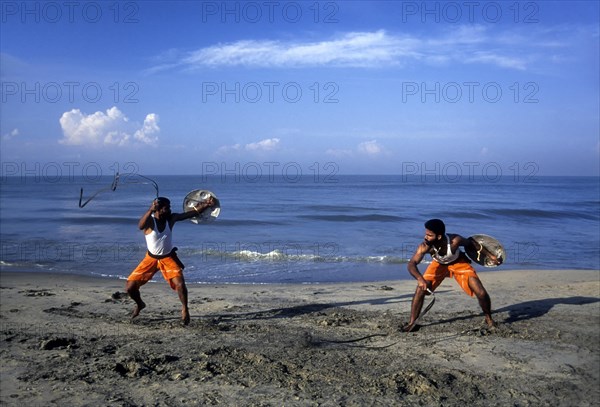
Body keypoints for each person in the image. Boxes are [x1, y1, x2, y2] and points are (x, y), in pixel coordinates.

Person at [125, 196, 215, 325]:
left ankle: (185, 308)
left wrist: (207, 204)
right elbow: (140, 226)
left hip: (168, 258)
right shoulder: (150, 222)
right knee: (130, 288)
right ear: (159, 209)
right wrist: (150, 210)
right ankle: (140, 304)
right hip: (150, 259)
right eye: (167, 208)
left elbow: (191, 213)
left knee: (180, 284)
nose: (170, 210)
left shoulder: (171, 219)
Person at [403, 219, 500, 332]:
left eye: (429, 235)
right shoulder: (425, 246)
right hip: (438, 264)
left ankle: (489, 318)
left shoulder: (455, 241)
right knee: (420, 289)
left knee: (481, 292)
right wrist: (420, 279)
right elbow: (411, 264)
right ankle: (412, 323)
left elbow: (472, 243)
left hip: (458, 263)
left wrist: (491, 256)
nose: (426, 237)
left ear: (439, 236)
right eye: (426, 234)